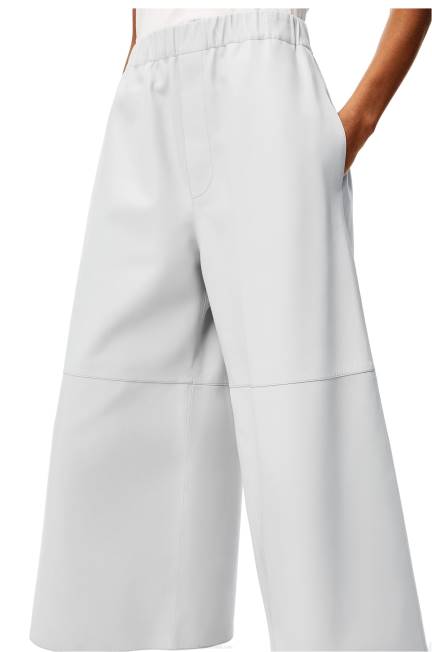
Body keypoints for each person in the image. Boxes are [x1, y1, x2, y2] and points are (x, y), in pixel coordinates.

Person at [30, 8, 430, 652]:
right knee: (116, 397)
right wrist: (138, 43)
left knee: (303, 412)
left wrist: (360, 119)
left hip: (262, 72)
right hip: (147, 87)